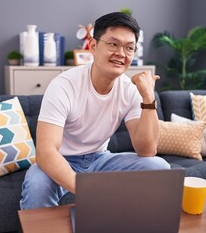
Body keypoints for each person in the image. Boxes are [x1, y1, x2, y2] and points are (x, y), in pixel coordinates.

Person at [20, 12, 170, 210]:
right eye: (113, 44)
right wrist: (87, 191)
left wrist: (148, 98)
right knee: (37, 185)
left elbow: (147, 151)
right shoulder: (64, 85)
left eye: (129, 48)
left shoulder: (130, 90)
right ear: (93, 46)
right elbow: (46, 152)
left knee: (159, 168)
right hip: (61, 158)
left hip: (100, 159)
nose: (121, 54)